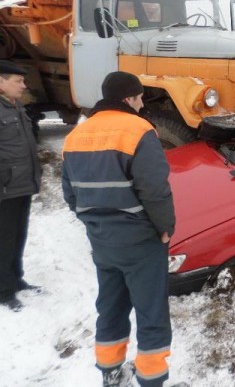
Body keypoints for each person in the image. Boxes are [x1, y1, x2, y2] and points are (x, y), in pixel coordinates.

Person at [62, 72, 176, 387]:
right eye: (140, 98)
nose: (141, 105)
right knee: (151, 311)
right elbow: (154, 189)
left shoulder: (76, 135)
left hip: (102, 240)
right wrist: (165, 227)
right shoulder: (140, 130)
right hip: (139, 239)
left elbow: (70, 194)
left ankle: (110, 372)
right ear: (129, 98)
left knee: (110, 305)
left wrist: (95, 223)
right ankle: (151, 380)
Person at [0, 60, 42, 312]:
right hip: (4, 188)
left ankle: (16, 279)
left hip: (22, 184)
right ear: (1, 81)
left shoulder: (16, 107)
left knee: (18, 234)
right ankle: (4, 290)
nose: (24, 86)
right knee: (3, 238)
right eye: (18, 81)